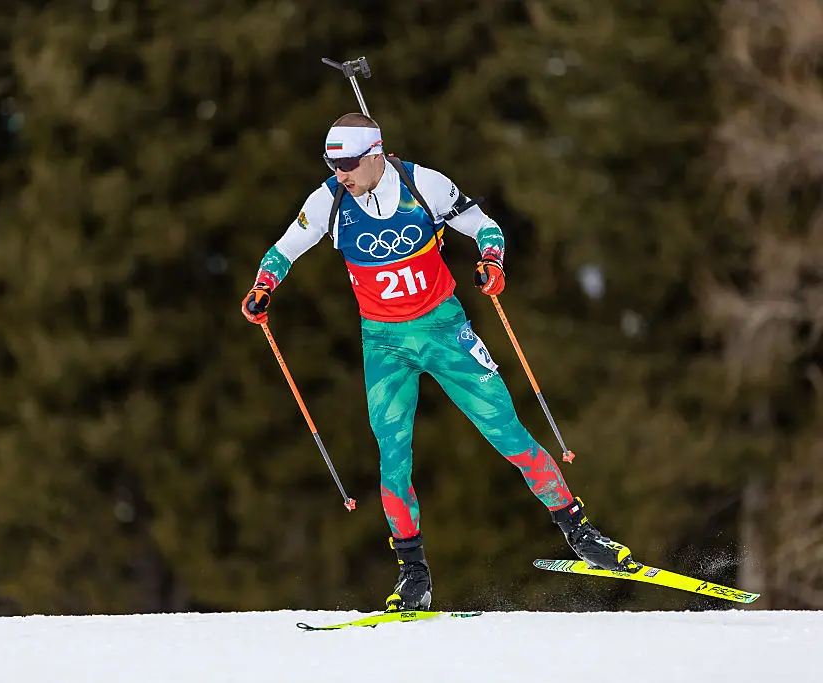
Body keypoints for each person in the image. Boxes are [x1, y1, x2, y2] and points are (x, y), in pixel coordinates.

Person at [241, 113, 637, 612]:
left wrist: (491, 262)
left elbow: (484, 226)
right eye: (331, 163)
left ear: (375, 153)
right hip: (383, 343)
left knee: (508, 433)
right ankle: (413, 574)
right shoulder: (331, 200)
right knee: (393, 458)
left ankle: (579, 532)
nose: (339, 173)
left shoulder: (422, 184)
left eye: (347, 163)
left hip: (444, 332)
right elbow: (285, 248)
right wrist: (263, 287)